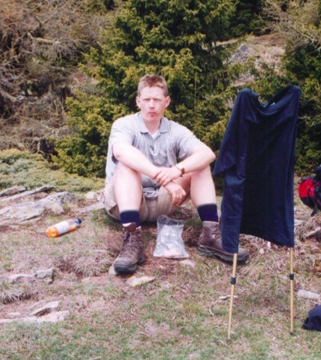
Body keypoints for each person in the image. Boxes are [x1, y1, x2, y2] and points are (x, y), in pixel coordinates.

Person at [103, 74, 249, 274]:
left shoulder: (176, 130)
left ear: (167, 102)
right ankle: (131, 241)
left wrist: (176, 170)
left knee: (200, 164)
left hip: (163, 202)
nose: (151, 105)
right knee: (126, 165)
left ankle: (210, 235)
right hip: (124, 203)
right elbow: (120, 151)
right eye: (146, 100)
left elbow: (207, 153)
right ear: (138, 101)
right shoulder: (124, 124)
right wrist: (162, 177)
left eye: (157, 100)